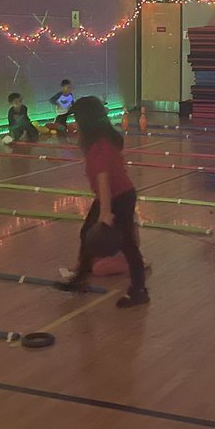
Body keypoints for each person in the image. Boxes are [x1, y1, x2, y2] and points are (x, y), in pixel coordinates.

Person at [55, 96, 149, 308]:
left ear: (86, 119)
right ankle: (80, 280)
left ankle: (139, 290)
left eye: (77, 118)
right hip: (114, 195)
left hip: (119, 197)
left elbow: (104, 179)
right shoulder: (100, 139)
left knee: (128, 245)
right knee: (85, 233)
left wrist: (105, 212)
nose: (75, 122)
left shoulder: (99, 145)